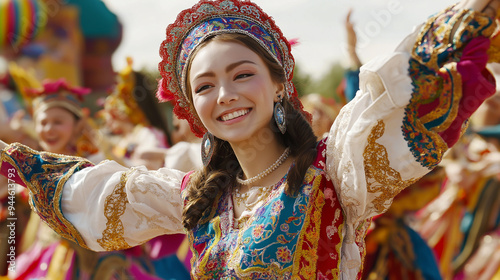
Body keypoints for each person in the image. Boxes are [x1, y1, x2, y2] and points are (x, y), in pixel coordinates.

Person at [0, 0, 499, 279]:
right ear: (194, 107)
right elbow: (93, 193)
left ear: (279, 82)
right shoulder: (196, 197)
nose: (225, 95)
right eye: (204, 85)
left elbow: (402, 94)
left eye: (242, 74)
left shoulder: (332, 172)